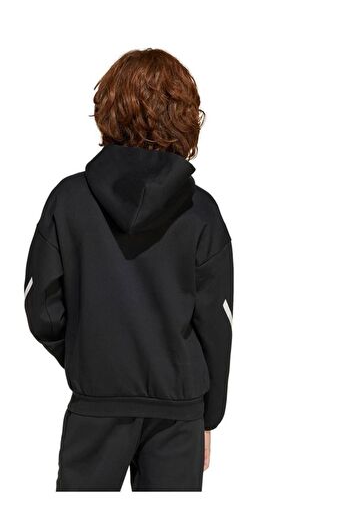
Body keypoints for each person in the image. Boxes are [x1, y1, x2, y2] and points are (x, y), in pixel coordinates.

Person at [23, 48, 234, 492]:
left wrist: (90, 357)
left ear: (109, 109)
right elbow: (216, 324)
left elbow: (41, 305)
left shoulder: (69, 200)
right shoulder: (201, 212)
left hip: (96, 404)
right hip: (178, 413)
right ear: (185, 116)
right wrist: (208, 416)